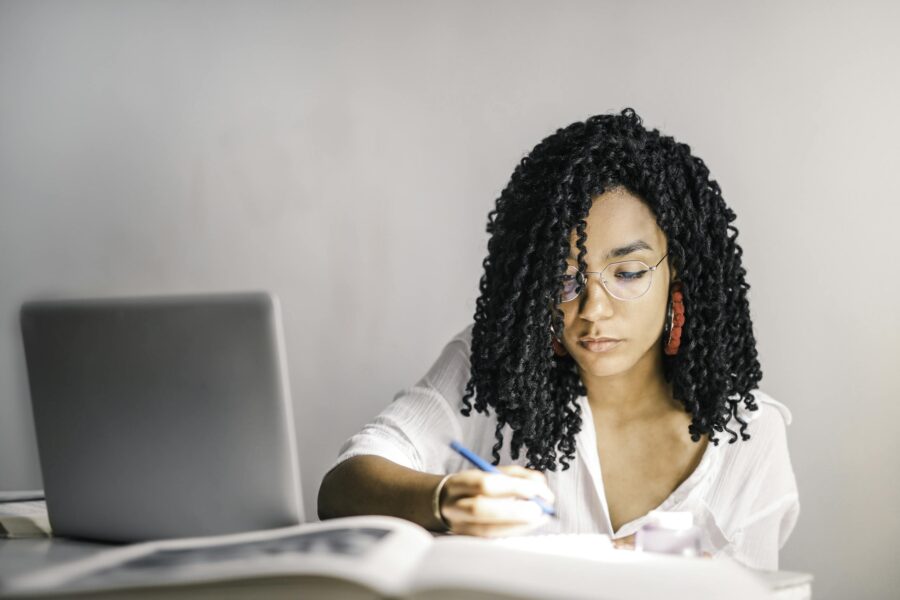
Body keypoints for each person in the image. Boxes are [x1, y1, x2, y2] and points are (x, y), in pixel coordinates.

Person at [317, 108, 799, 571]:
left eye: (628, 273)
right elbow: (343, 486)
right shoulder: (491, 369)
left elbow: (749, 575)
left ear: (680, 275)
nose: (592, 309)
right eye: (563, 278)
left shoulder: (749, 436)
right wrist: (444, 498)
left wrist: (660, 554)